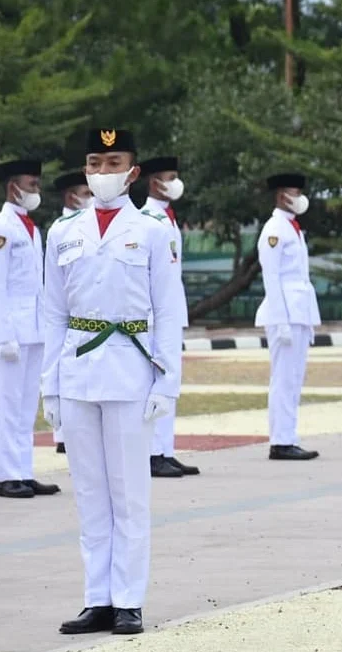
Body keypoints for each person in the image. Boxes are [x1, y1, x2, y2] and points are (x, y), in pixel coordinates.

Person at [41, 127, 184, 635]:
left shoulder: (152, 230)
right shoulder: (64, 231)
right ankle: (96, 598)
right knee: (89, 492)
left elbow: (170, 312)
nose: (102, 173)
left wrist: (166, 383)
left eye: (112, 162)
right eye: (94, 163)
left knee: (129, 493)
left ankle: (128, 599)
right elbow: (52, 313)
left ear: (133, 172)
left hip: (129, 369)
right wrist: (50, 385)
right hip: (78, 369)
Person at [0, 159, 59, 499]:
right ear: (13, 187)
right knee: (7, 404)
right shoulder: (0, 228)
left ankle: (23, 471)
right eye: (31, 185)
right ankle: (6, 476)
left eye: (37, 185)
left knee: (27, 404)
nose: (36, 191)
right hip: (10, 329)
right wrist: (5, 334)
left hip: (33, 327)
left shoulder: (31, 228)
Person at [254, 173, 321, 461]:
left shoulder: (292, 228)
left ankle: (289, 436)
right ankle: (280, 441)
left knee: (294, 379)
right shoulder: (274, 229)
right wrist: (280, 320)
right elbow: (271, 278)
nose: (300, 197)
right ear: (282, 195)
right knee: (283, 379)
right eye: (294, 192)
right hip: (284, 314)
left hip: (299, 313)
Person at [139, 155, 198, 477]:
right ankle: (151, 452)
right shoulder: (148, 219)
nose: (176, 183)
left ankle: (165, 449)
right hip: (155, 314)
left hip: (172, 310)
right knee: (156, 380)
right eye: (170, 177)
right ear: (154, 183)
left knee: (170, 379)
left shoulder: (167, 218)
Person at [47, 170, 93, 455]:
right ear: (71, 197)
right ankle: (62, 433)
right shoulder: (61, 229)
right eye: (86, 193)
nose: (91, 197)